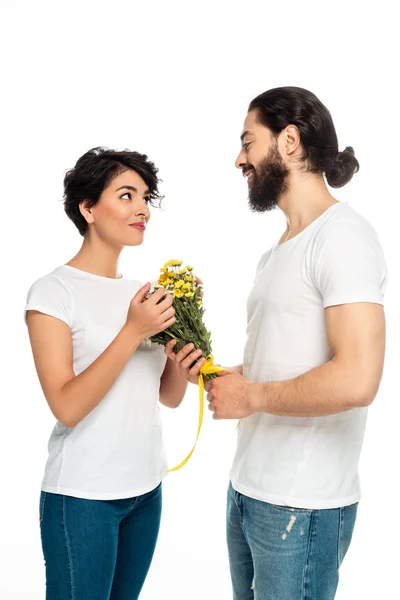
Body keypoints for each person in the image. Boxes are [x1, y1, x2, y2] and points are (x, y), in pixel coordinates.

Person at [207, 87, 387, 600]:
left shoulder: (344, 238)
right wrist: (230, 376)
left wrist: (254, 397)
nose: (239, 158)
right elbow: (285, 356)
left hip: (300, 505)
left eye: (247, 142)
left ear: (289, 141)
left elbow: (357, 378)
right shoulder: (281, 249)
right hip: (248, 492)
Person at [25, 147, 205, 600]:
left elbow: (168, 395)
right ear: (88, 208)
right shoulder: (52, 292)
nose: (142, 208)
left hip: (145, 490)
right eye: (126, 195)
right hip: (83, 497)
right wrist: (133, 330)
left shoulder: (142, 293)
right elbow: (66, 407)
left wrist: (185, 351)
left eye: (145, 197)